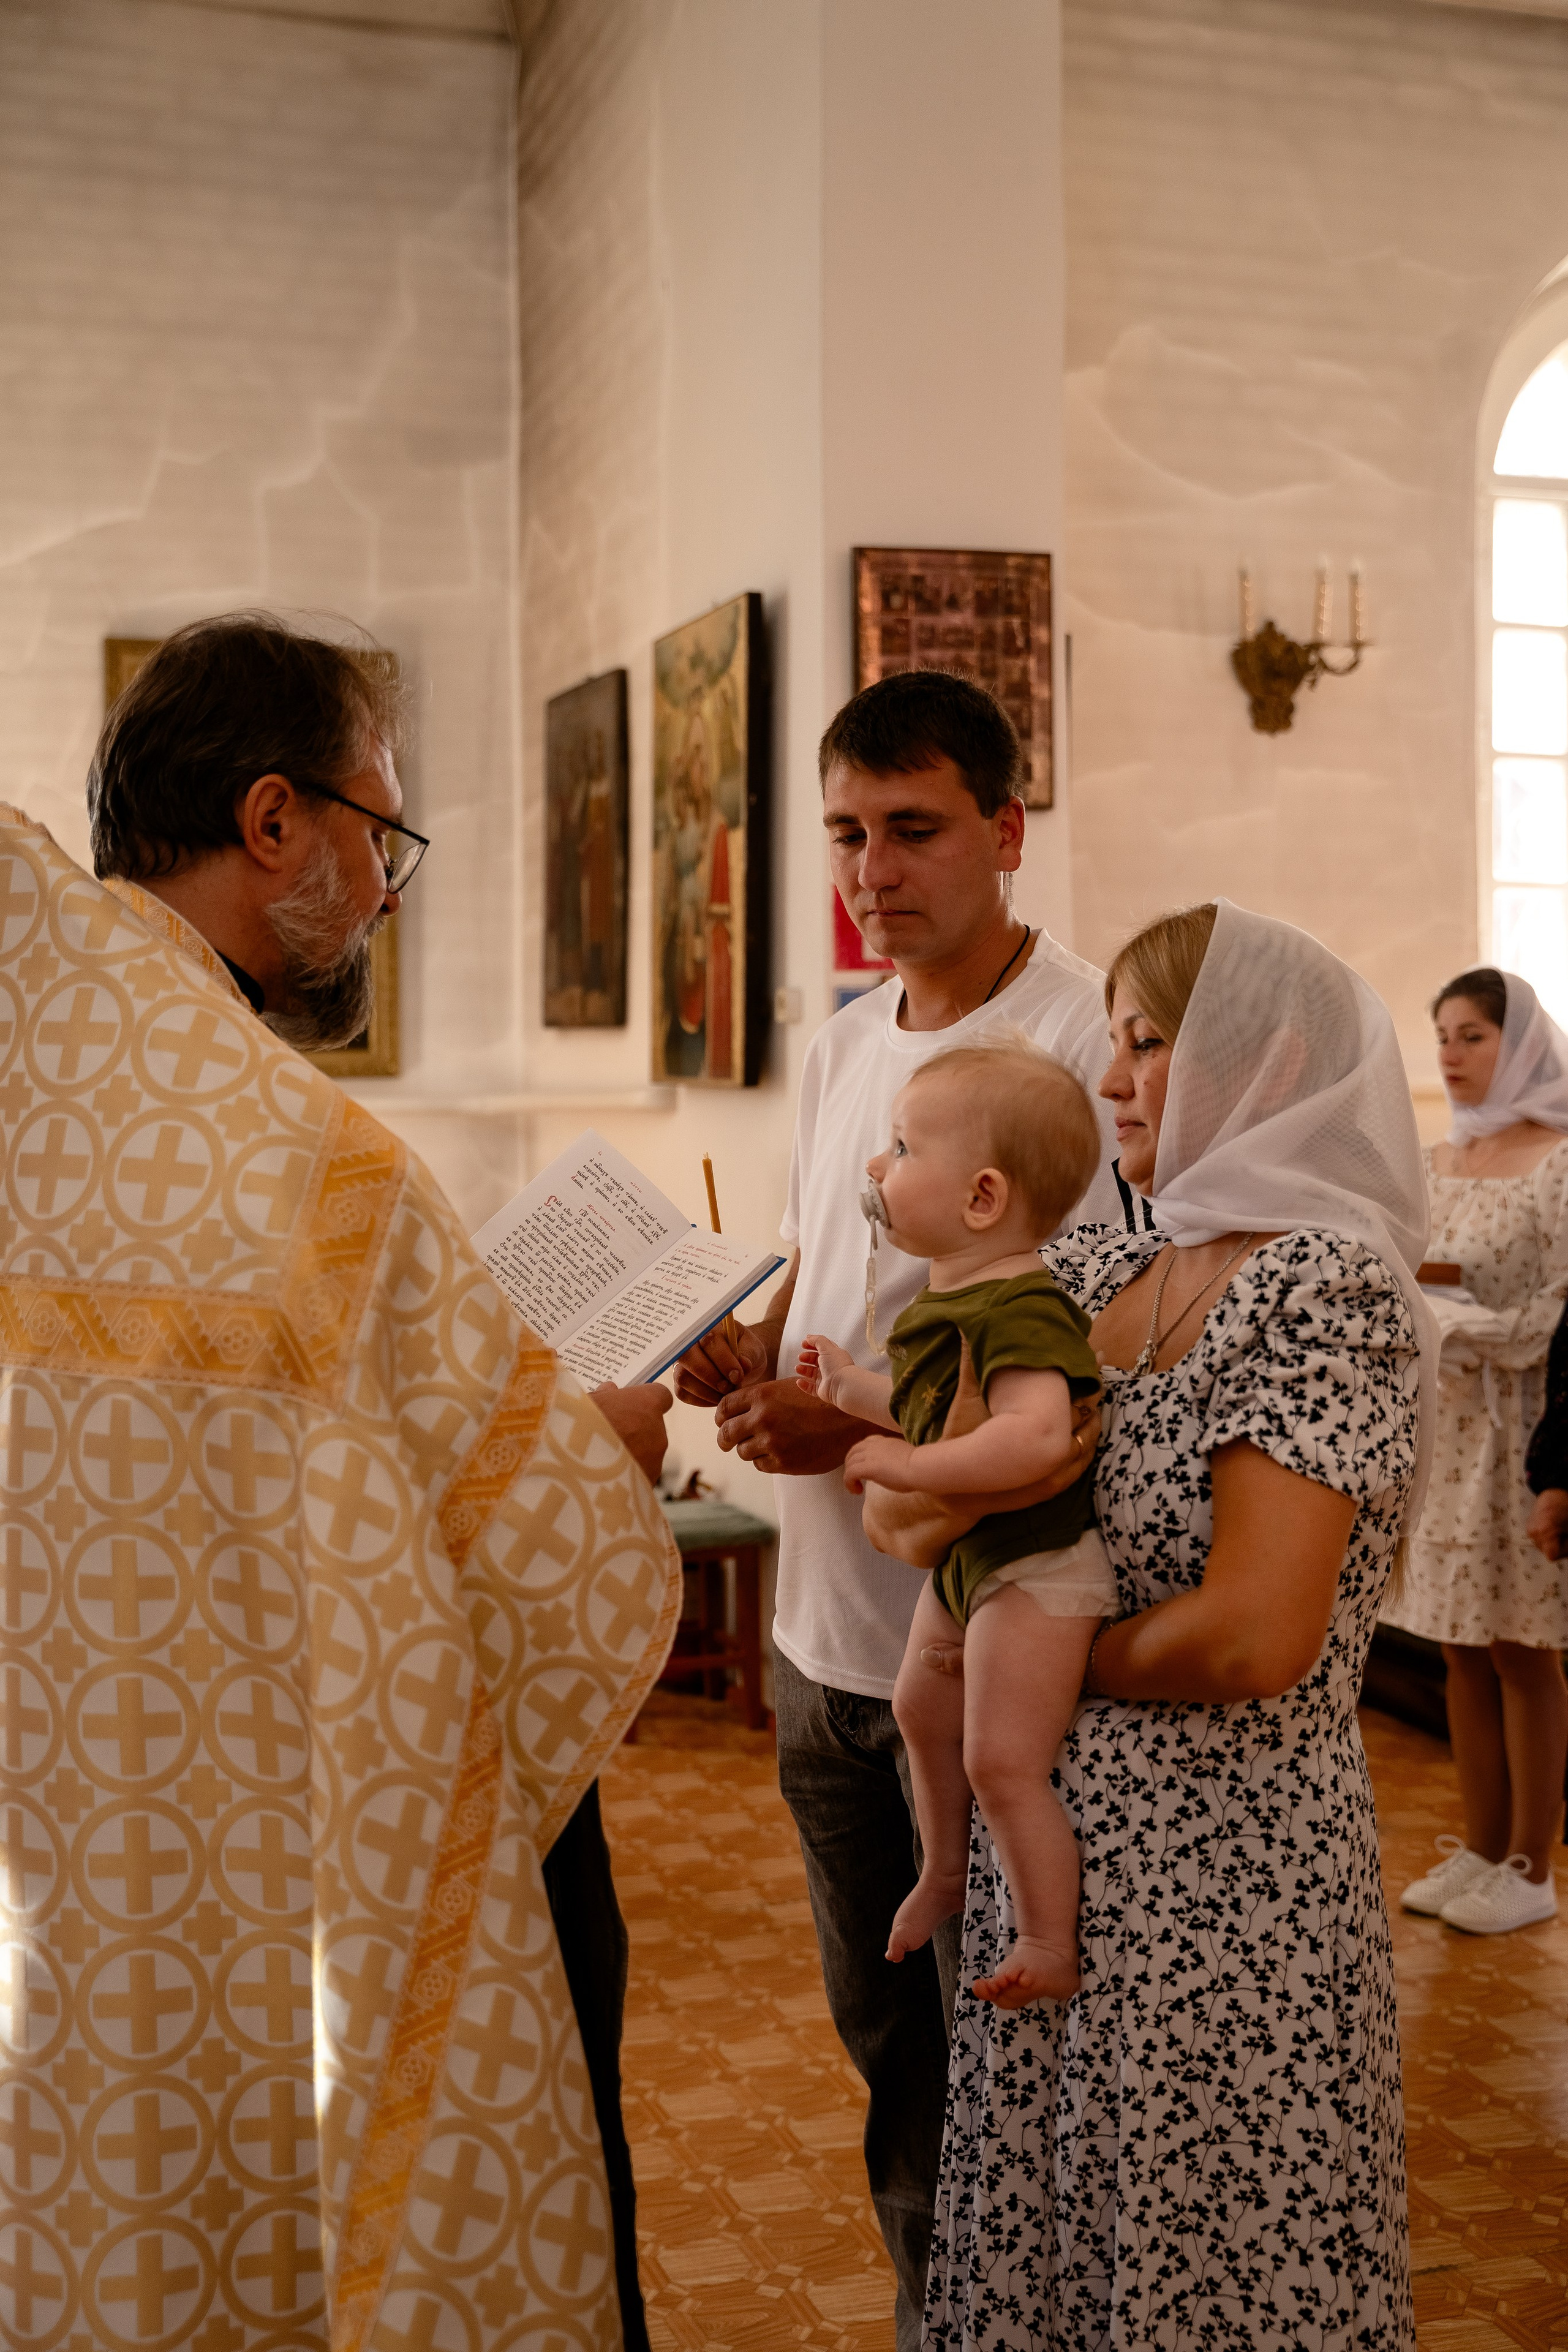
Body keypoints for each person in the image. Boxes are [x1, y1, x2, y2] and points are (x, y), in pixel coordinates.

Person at [0, 614, 679, 2351]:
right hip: (278, 1828)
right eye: (384, 833)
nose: (387, 888)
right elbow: (526, 1573)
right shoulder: (304, 1165)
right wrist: (597, 1457)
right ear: (273, 819)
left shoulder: (38, 1078)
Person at [676, 669, 1122, 2349]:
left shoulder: (1084, 1045)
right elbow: (831, 1281)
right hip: (821, 1646)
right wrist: (748, 1356)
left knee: (1011, 2060)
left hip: (985, 1642)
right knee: (890, 2055)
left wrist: (854, 1423)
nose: (872, 871)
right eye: (847, 833)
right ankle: (936, 2316)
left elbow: (1087, 1378)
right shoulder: (843, 1044)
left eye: (913, 828)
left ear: (1006, 830)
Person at [926, 899, 1430, 2351]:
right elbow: (945, 1510)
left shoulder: (1322, 1290)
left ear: (1265, 1065)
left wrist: (1033, 1661)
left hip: (1228, 1877)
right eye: (1114, 1043)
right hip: (1056, 1872)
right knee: (1051, 2246)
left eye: (1146, 1044)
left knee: (1209, 2273)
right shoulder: (1093, 1274)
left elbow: (1251, 1639)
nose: (1110, 1081)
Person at [797, 1039, 1112, 2008]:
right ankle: (942, 1871)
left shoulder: (1022, 1305)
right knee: (917, 1711)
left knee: (1001, 1760)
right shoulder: (959, 1297)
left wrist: (905, 1466)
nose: (875, 1165)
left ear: (982, 1199)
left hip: (1040, 1569)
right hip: (980, 1564)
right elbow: (940, 1411)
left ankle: (1047, 1939)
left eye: (900, 1148)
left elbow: (1033, 1435)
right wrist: (853, 1392)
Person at [1382, 967, 1568, 1933]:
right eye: (1443, 1037)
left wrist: (1468, 1325)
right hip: (1449, 1424)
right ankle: (1483, 1849)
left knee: (1523, 1649)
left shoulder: (1559, 1161)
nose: (1452, 1055)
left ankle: (1532, 1867)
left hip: (1522, 1425)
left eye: (1473, 1036)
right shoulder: (1438, 1159)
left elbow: (1562, 1308)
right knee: (1458, 1645)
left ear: (1521, 1045)